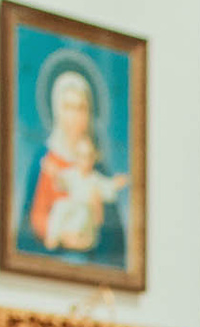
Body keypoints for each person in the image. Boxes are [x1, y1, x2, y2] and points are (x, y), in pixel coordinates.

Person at [18, 67, 129, 261]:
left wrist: (98, 215)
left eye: (81, 109)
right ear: (56, 110)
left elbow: (115, 245)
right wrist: (60, 236)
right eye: (68, 107)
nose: (75, 117)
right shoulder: (44, 160)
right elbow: (29, 226)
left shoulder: (98, 169)